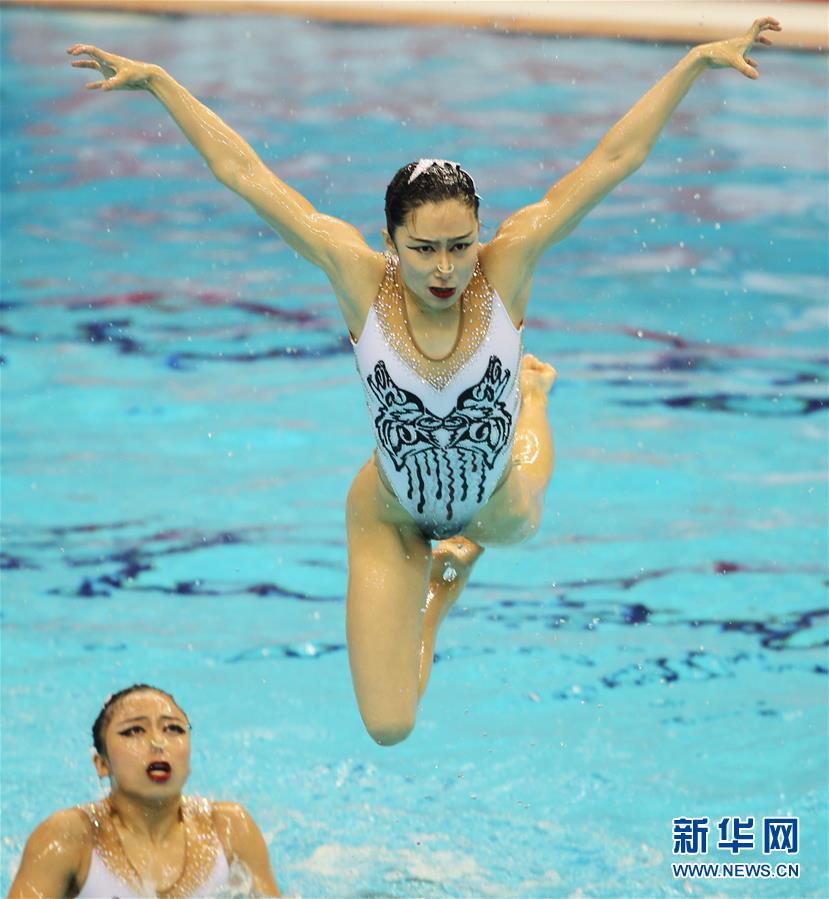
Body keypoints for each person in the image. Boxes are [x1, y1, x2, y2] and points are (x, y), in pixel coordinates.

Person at [66, 16, 780, 746]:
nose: (444, 269)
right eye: (423, 249)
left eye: (460, 246)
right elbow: (248, 176)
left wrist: (691, 62)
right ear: (389, 243)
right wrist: (160, 82)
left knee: (519, 526)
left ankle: (531, 395)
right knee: (389, 725)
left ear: (481, 233)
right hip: (390, 512)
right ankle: (437, 590)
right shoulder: (358, 278)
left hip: (494, 494)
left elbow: (611, 161)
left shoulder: (509, 265)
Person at [9, 684, 281, 898]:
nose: (158, 742)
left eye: (174, 729)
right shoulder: (69, 837)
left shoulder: (229, 828)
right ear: (102, 764)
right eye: (133, 731)